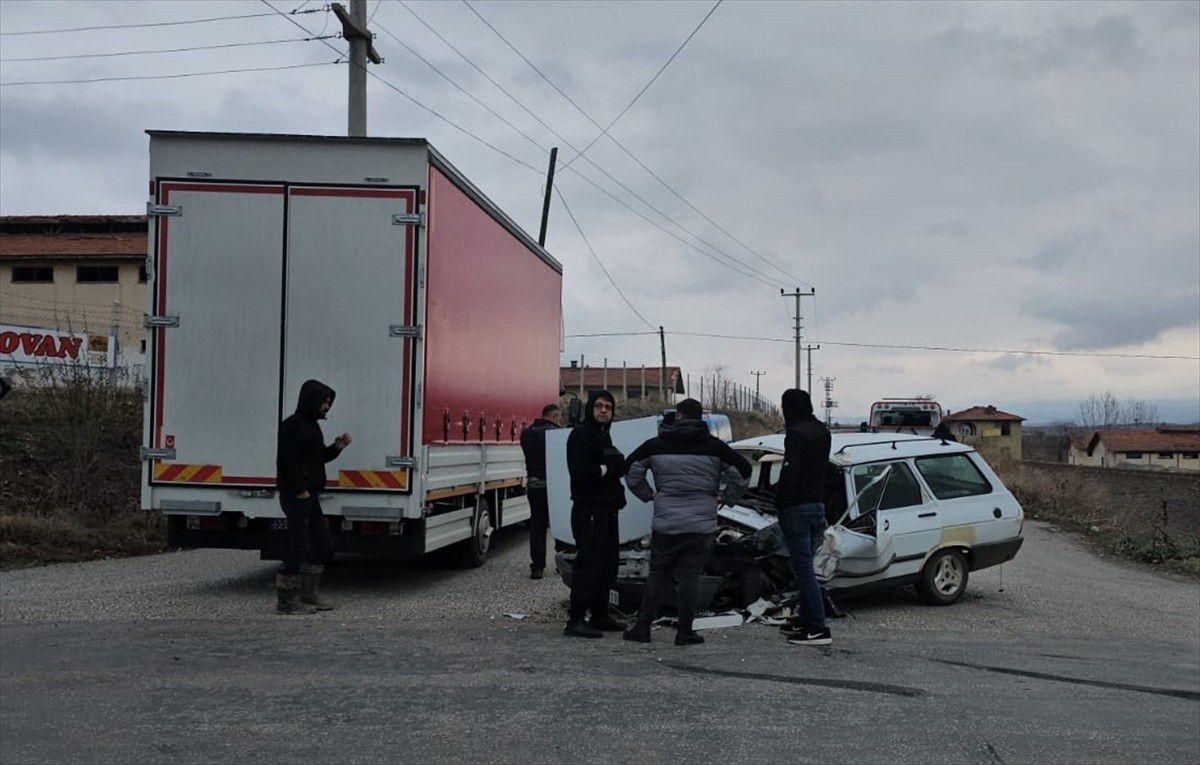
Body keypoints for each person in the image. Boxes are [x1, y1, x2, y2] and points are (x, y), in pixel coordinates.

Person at [622, 398, 751, 646]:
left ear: (678, 416)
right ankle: (684, 632)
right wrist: (726, 497)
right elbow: (743, 472)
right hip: (701, 526)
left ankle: (642, 628)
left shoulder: (656, 445)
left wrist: (648, 494)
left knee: (657, 575)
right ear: (700, 418)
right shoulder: (715, 447)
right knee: (689, 578)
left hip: (666, 524)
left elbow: (631, 470)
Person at [275, 379, 352, 615]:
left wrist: (336, 448)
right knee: (299, 548)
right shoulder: (292, 425)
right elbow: (286, 462)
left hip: (311, 496)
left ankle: (309, 593)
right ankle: (286, 601)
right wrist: (300, 489)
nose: (326, 406)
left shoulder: (312, 426)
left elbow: (317, 459)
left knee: (323, 544)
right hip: (296, 496)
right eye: (323, 402)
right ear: (311, 401)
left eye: (328, 402)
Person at [563, 389, 628, 638]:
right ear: (590, 408)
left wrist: (612, 468)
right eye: (599, 406)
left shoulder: (603, 436)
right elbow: (580, 471)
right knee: (588, 564)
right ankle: (576, 618)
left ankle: (600, 614)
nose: (603, 411)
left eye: (608, 407)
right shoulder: (582, 434)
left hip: (607, 509)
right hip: (589, 509)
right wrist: (608, 468)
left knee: (607, 565)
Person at [774, 388, 833, 646]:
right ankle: (807, 619)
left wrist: (779, 501)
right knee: (806, 566)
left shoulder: (796, 434)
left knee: (804, 570)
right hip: (816, 504)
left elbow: (791, 472)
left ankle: (818, 628)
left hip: (796, 506)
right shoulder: (822, 431)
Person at [519, 403, 562, 579]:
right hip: (554, 486)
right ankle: (562, 563)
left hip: (534, 484)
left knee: (537, 525)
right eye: (559, 418)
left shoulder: (526, 433)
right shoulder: (557, 434)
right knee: (560, 524)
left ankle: (537, 567)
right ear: (554, 417)